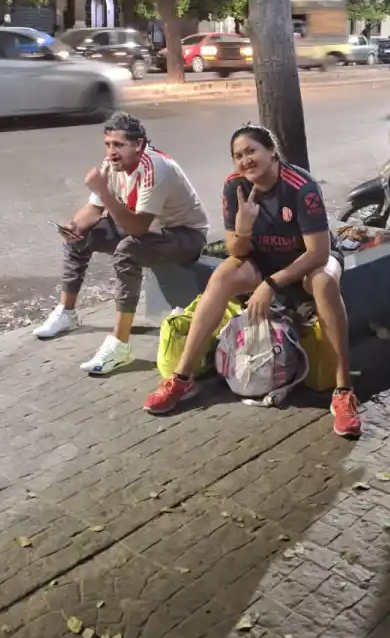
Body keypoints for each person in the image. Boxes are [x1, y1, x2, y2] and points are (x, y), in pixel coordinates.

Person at [143, 124, 363, 438]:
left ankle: (344, 391)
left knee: (324, 283)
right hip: (262, 259)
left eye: (251, 151)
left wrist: (270, 285)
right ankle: (182, 377)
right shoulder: (235, 186)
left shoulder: (302, 187)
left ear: (272, 152)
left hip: (306, 261)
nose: (245, 160)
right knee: (222, 276)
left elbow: (318, 252)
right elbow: (235, 250)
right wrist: (243, 227)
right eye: (238, 155)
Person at [36, 111, 209, 374]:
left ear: (138, 144)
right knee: (81, 237)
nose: (111, 152)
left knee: (127, 252)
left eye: (118, 145)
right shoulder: (112, 165)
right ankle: (66, 312)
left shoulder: (156, 168)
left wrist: (103, 190)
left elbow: (136, 228)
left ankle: (119, 345)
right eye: (108, 144)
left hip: (183, 235)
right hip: (147, 228)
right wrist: (75, 226)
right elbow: (94, 209)